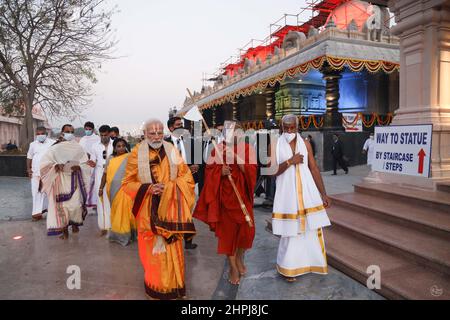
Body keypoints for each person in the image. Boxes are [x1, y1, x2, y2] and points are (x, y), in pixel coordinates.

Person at [122, 118, 196, 299]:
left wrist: (171, 187)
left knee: (174, 248)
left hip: (172, 208)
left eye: (159, 132)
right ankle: (156, 288)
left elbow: (186, 176)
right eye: (152, 133)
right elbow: (127, 183)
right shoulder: (136, 153)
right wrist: (148, 188)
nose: (156, 136)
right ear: (145, 134)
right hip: (149, 211)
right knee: (154, 252)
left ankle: (176, 286)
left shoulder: (172, 150)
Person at [193, 122, 257, 285]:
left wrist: (236, 158)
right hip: (225, 199)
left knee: (246, 232)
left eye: (235, 132)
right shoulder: (217, 149)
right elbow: (208, 172)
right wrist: (219, 172)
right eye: (229, 132)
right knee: (228, 236)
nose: (232, 135)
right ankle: (233, 267)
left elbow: (252, 170)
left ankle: (240, 258)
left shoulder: (247, 148)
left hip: (242, 198)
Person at [271, 114, 331, 282]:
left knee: (311, 229)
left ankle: (312, 263)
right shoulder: (275, 144)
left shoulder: (305, 144)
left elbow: (314, 169)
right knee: (291, 232)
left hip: (307, 193)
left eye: (293, 127)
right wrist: (291, 161)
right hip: (287, 195)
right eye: (286, 127)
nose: (289, 130)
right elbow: (271, 171)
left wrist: (323, 193)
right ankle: (288, 269)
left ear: (298, 127)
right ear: (281, 127)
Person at [39, 124, 90, 239]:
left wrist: (80, 167)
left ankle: (74, 223)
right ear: (62, 133)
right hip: (60, 181)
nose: (70, 134)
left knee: (75, 206)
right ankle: (65, 231)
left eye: (72, 131)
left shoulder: (78, 148)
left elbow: (85, 163)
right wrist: (56, 166)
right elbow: (44, 164)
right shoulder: (54, 148)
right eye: (68, 131)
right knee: (62, 207)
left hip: (74, 180)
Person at [165, 116, 199, 250]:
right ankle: (173, 236)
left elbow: (195, 159)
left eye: (182, 124)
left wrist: (195, 165)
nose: (181, 126)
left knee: (188, 212)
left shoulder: (189, 142)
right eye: (178, 125)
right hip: (172, 184)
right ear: (171, 128)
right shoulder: (165, 145)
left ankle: (188, 240)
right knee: (174, 212)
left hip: (189, 183)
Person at [99, 138, 136, 246]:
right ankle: (117, 235)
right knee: (116, 211)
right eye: (118, 146)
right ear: (114, 148)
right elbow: (105, 174)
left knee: (126, 212)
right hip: (113, 190)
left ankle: (127, 235)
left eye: (123, 146)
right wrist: (101, 188)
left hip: (126, 189)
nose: (121, 148)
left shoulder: (130, 158)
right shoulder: (110, 159)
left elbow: (135, 173)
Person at [89, 125, 114, 236]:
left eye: (105, 135)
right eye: (101, 135)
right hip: (100, 173)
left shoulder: (116, 144)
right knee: (101, 199)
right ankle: (103, 226)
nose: (103, 137)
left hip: (114, 173)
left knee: (114, 199)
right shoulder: (95, 146)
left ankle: (114, 225)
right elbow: (92, 161)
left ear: (110, 134)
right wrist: (92, 163)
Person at [26, 127, 55, 221]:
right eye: (38, 134)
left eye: (42, 133)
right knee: (36, 192)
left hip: (48, 173)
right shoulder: (33, 144)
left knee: (49, 193)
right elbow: (29, 157)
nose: (40, 135)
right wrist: (28, 169)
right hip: (35, 173)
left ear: (46, 134)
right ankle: (36, 213)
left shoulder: (52, 143)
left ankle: (51, 212)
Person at [79, 121, 100, 208]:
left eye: (89, 129)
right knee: (85, 183)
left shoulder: (97, 138)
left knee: (94, 183)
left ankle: (95, 202)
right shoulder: (82, 139)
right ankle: (87, 201)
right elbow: (79, 150)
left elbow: (98, 150)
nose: (87, 131)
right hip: (83, 164)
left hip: (93, 163)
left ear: (93, 129)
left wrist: (90, 155)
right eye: (86, 129)